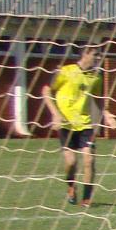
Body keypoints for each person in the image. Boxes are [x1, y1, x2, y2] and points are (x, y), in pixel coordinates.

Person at [38, 43, 111, 207]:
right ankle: (71, 187)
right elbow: (46, 91)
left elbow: (98, 98)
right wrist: (55, 114)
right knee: (71, 163)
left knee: (89, 160)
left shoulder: (96, 76)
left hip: (85, 124)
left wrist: (106, 114)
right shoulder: (66, 71)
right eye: (96, 54)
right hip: (66, 125)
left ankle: (86, 199)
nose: (99, 58)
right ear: (85, 54)